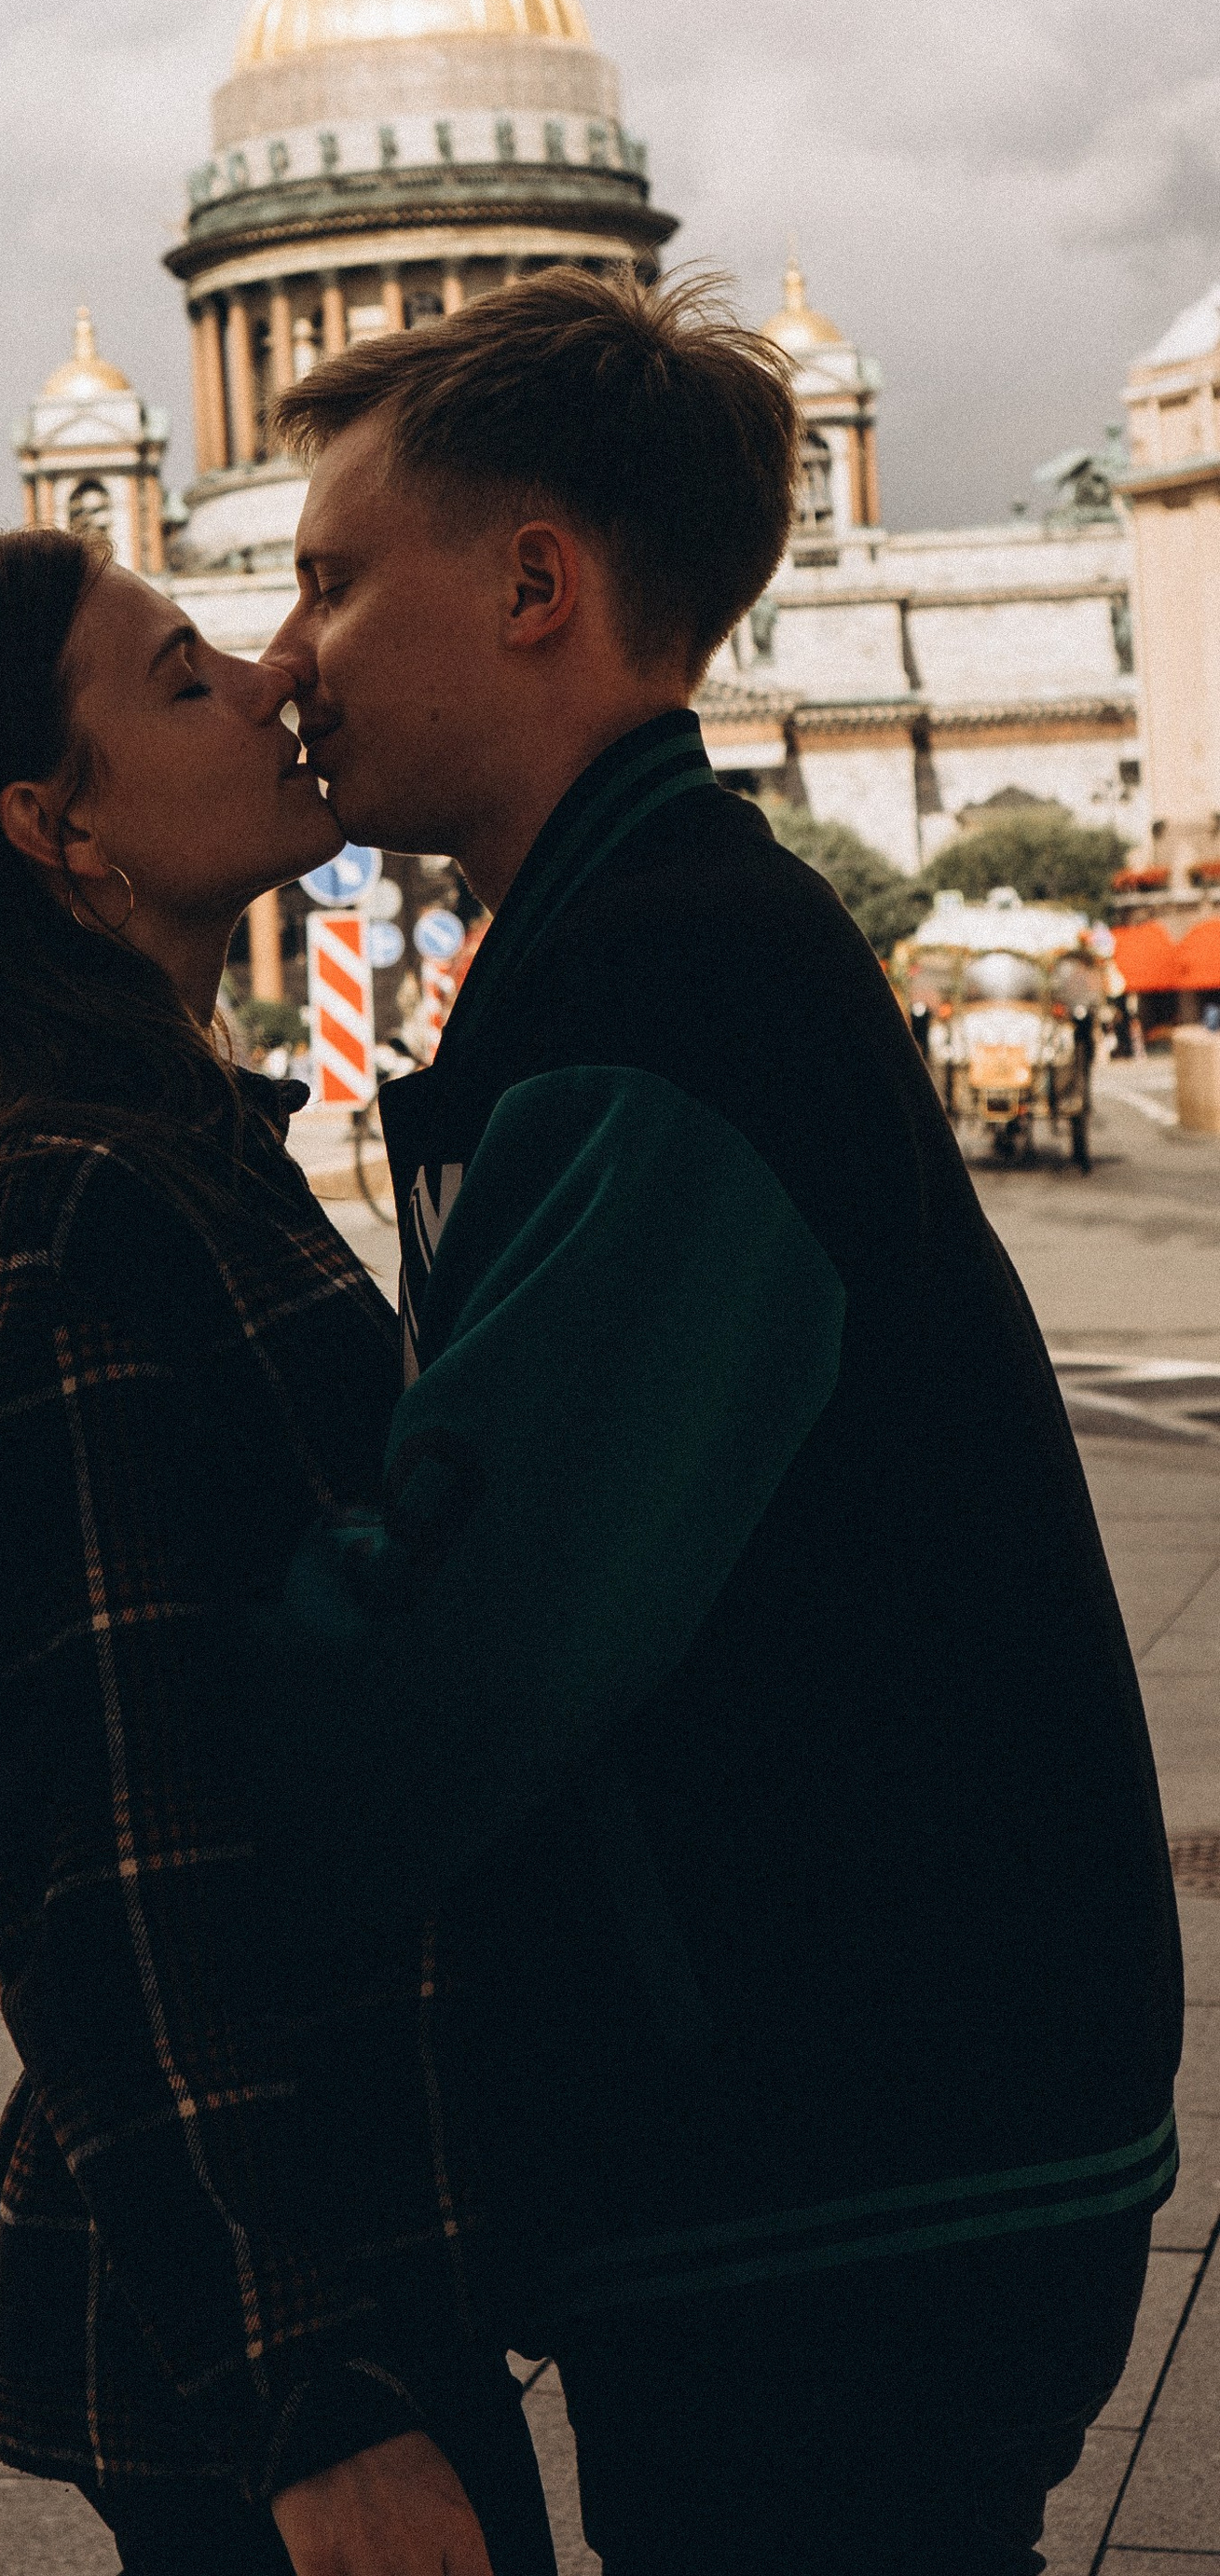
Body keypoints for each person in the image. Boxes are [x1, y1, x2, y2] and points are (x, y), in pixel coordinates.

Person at [251, 266, 1181, 2576]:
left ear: (539, 584)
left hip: (842, 2151)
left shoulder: (659, 987)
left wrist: (162, 1758)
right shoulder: (667, 931)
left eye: (332, 580)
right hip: (876, 2114)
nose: (285, 654)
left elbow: (471, 1647)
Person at [0, 529, 558, 2576]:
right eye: (181, 674)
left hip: (318, 2255)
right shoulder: (73, 1221)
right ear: (61, 831)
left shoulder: (154, 1161)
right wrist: (319, 2403)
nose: (275, 670)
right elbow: (105, 1871)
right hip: (290, 2324)